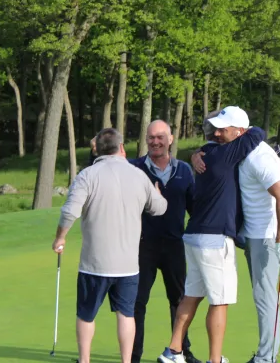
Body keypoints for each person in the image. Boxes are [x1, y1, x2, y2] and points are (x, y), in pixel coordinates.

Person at [158, 106, 266, 363]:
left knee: (192, 295)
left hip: (194, 235)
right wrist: (240, 132)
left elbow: (230, 137)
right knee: (220, 301)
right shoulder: (228, 152)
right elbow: (258, 133)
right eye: (217, 128)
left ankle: (173, 351)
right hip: (215, 239)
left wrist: (196, 152)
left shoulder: (206, 152)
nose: (217, 132)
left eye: (223, 129)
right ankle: (215, 360)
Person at [52, 128, 168, 363]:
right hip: (127, 265)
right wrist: (156, 193)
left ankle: (84, 360)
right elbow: (160, 208)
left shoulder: (87, 175)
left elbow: (69, 212)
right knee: (126, 315)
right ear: (121, 148)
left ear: (97, 149)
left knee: (86, 315)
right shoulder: (138, 175)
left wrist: (60, 237)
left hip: (94, 264)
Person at [192, 135, 280, 363]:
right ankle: (266, 356)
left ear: (239, 131)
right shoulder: (239, 150)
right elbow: (211, 146)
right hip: (253, 236)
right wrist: (195, 155)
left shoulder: (260, 156)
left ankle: (266, 358)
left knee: (266, 298)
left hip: (266, 237)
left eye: (223, 130)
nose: (217, 134)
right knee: (264, 297)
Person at [130, 120, 200, 363]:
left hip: (174, 246)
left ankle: (182, 352)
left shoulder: (183, 170)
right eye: (151, 137)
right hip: (141, 246)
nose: (155, 141)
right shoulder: (134, 168)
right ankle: (133, 356)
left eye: (160, 137)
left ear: (170, 139)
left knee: (179, 300)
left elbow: (194, 209)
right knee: (137, 303)